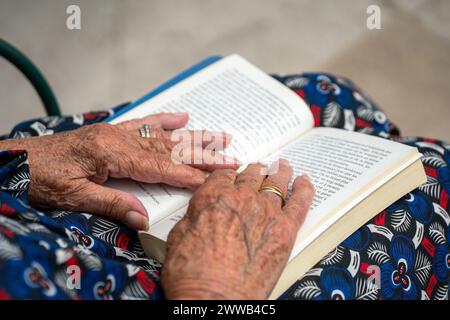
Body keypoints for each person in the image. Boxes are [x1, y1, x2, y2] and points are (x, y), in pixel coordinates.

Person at [0, 73, 448, 300]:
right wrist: (210, 290)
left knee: (331, 98)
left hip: (20, 194)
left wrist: (33, 156)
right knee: (428, 179)